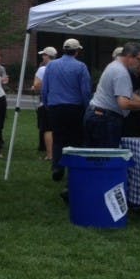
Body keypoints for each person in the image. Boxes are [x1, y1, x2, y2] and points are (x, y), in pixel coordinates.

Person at [83, 42, 140, 148]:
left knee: (96, 155)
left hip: (99, 115)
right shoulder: (121, 72)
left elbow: (129, 94)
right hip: (105, 118)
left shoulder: (115, 66)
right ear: (129, 56)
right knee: (106, 156)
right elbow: (124, 104)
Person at [41, 38, 91, 181]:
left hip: (55, 107)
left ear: (63, 50)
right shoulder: (81, 67)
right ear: (77, 51)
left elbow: (45, 88)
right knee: (75, 140)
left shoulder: (51, 65)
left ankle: (57, 167)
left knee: (58, 138)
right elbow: (85, 90)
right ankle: (72, 169)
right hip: (75, 107)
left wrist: (47, 104)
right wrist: (87, 106)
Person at [32, 46, 56, 161]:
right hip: (59, 102)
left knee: (47, 129)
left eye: (43, 55)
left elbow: (36, 85)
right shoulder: (59, 67)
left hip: (46, 102)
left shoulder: (43, 69)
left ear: (47, 56)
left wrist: (35, 87)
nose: (42, 57)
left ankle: (50, 155)